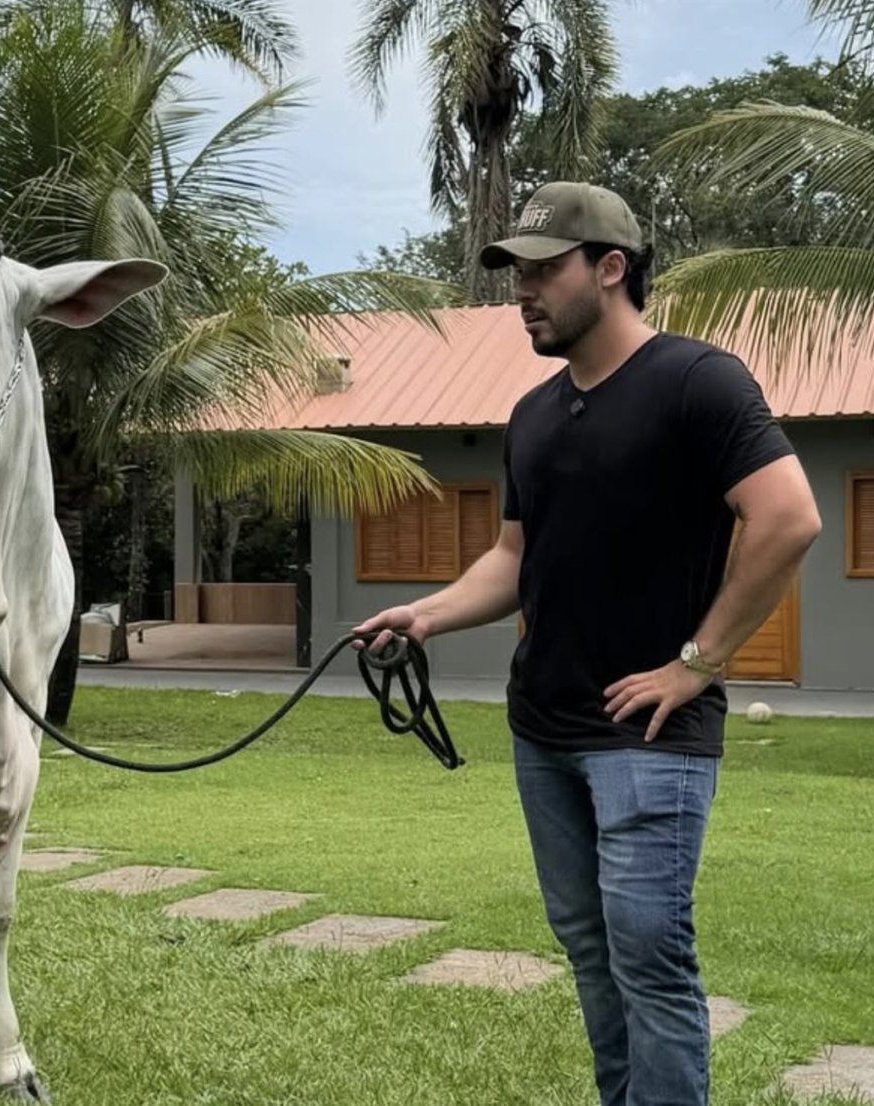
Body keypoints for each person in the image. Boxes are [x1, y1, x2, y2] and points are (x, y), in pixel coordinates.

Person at [354, 181, 822, 1106]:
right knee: (591, 953)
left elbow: (789, 518)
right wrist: (428, 614)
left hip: (648, 738)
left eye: (542, 271)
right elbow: (512, 557)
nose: (522, 292)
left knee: (650, 959)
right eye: (515, 274)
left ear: (611, 268)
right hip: (544, 731)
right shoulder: (533, 415)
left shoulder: (697, 382)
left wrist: (697, 664)